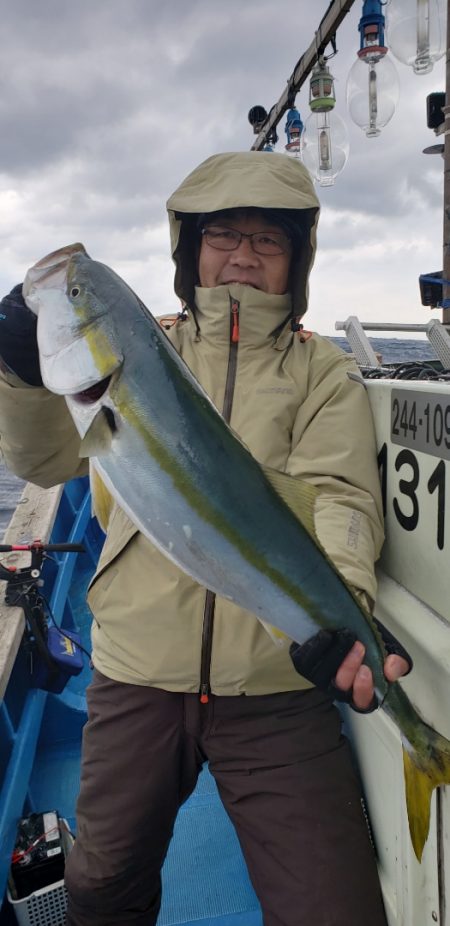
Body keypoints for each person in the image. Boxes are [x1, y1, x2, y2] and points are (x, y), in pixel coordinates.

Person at [0, 151, 410, 926]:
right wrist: (21, 377)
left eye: (268, 240)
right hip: (135, 671)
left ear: (300, 259)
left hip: (278, 684)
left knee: (335, 910)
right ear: (190, 251)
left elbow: (341, 502)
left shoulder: (323, 373)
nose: (243, 256)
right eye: (223, 235)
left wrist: (343, 607)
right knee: (101, 886)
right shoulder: (140, 350)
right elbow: (45, 460)